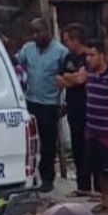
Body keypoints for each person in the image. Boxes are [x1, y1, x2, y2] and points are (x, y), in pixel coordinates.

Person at [17, 18, 68, 193]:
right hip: (31, 101)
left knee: (48, 143)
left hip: (50, 103)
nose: (35, 36)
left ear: (47, 31)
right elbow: (17, 63)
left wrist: (63, 103)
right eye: (33, 32)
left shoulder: (61, 52)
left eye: (38, 32)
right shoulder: (28, 49)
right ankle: (31, 175)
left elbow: (66, 78)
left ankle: (47, 177)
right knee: (30, 141)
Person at [83, 38, 108, 215]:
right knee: (98, 168)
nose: (89, 59)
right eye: (87, 55)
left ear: (101, 55)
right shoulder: (88, 74)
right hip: (92, 129)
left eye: (92, 55)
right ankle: (105, 199)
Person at [57, 23, 91, 198]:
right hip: (73, 107)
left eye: (67, 40)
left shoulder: (88, 57)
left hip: (88, 108)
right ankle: (82, 185)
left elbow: (81, 80)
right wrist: (73, 77)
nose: (65, 44)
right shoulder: (68, 58)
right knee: (77, 148)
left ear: (76, 40)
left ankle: (97, 188)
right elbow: (58, 78)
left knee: (89, 148)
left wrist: (71, 78)